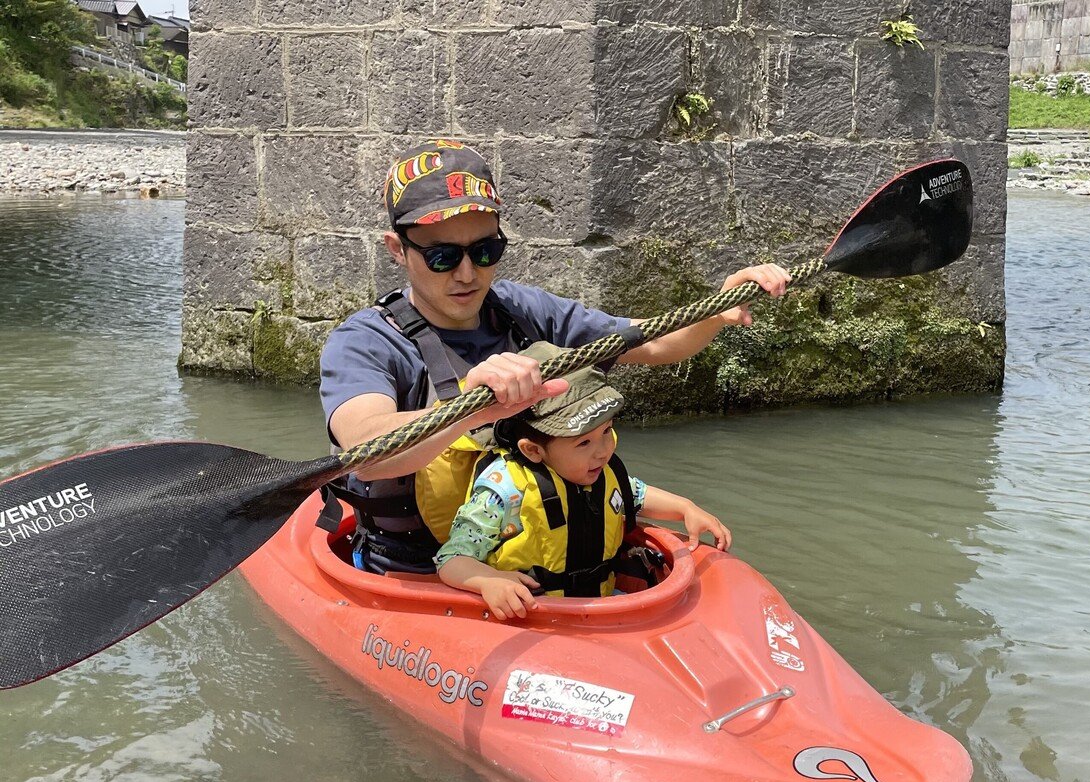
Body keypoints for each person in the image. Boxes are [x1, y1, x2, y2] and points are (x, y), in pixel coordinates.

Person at [319, 138, 787, 574]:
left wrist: (716, 310)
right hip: (415, 570)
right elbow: (367, 453)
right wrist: (470, 407)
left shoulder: (524, 312)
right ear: (397, 249)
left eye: (485, 251)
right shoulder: (366, 341)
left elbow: (654, 342)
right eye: (443, 257)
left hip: (534, 567)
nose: (467, 273)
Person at [435, 343, 730, 620]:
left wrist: (686, 508)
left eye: (607, 430)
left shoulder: (600, 472)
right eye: (583, 443)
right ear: (533, 450)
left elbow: (635, 494)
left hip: (598, 611)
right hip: (534, 616)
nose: (603, 450)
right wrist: (490, 582)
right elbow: (451, 560)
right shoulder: (503, 490)